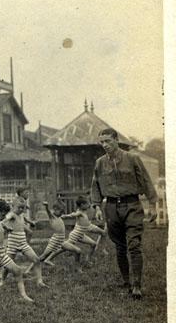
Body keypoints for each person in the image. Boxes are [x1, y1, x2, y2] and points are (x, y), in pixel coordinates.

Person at [91, 128, 158, 299]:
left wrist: (152, 204)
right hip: (111, 208)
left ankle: (137, 285)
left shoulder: (132, 158)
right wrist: (97, 207)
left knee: (134, 245)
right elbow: (96, 185)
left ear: (116, 139)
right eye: (102, 142)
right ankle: (126, 281)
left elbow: (145, 180)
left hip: (132, 206)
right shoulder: (100, 163)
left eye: (108, 141)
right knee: (120, 247)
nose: (105, 145)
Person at [0, 198, 47, 288]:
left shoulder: (21, 215)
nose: (21, 210)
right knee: (7, 265)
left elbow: (24, 221)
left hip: (23, 243)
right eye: (19, 208)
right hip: (12, 244)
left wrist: (31, 222)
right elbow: (2, 222)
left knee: (36, 260)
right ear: (12, 207)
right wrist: (6, 227)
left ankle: (40, 281)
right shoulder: (12, 215)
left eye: (23, 208)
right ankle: (2, 280)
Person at [32, 201, 83, 272]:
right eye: (60, 211)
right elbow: (48, 212)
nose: (62, 213)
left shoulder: (59, 216)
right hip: (55, 241)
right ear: (55, 210)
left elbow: (65, 214)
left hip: (61, 241)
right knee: (42, 257)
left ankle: (77, 268)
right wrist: (46, 206)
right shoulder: (52, 217)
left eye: (62, 211)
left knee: (78, 251)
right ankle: (28, 270)